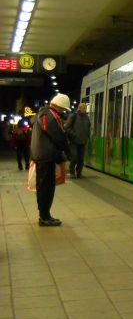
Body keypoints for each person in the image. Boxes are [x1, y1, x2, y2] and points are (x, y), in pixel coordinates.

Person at [31, 94, 71, 226]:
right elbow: (59, 137)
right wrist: (67, 152)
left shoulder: (44, 113)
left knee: (45, 187)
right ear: (58, 105)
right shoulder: (49, 116)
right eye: (63, 109)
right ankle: (44, 217)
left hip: (43, 156)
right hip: (45, 157)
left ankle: (45, 215)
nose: (64, 111)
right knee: (46, 188)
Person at [65, 103, 91, 178]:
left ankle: (79, 173)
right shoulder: (74, 116)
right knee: (74, 157)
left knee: (81, 158)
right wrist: (74, 135)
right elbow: (67, 127)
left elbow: (89, 126)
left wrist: (87, 136)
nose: (85, 110)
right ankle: (72, 172)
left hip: (83, 141)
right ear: (79, 108)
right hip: (74, 141)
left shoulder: (86, 117)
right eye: (84, 108)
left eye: (85, 108)